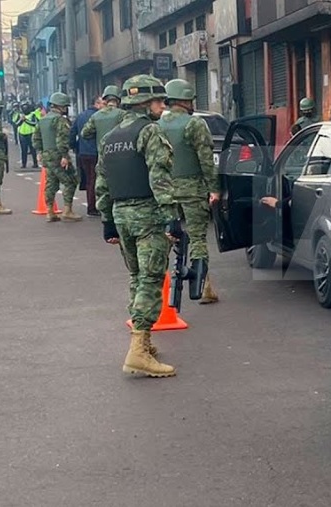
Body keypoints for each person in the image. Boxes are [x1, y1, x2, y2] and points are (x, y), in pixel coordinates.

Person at [95, 74, 179, 378]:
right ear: (145, 102)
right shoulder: (150, 132)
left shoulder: (111, 137)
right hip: (147, 215)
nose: (162, 105)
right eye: (158, 100)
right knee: (151, 279)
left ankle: (143, 343)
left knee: (136, 277)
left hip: (120, 214)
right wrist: (173, 216)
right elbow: (160, 177)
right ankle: (139, 349)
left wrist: (107, 221)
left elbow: (102, 183)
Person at [158, 79, 220, 304]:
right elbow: (206, 160)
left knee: (167, 237)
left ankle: (161, 289)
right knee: (197, 238)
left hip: (166, 191)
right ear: (184, 100)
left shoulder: (157, 125)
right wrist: (214, 188)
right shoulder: (194, 125)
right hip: (193, 190)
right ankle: (204, 287)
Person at [32, 92, 83, 223]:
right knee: (71, 181)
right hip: (58, 155)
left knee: (51, 183)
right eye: (65, 106)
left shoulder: (43, 119)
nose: (66, 108)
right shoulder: (60, 120)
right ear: (61, 106)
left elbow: (36, 137)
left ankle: (50, 211)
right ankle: (67, 210)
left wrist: (39, 152)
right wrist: (65, 156)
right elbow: (62, 139)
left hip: (46, 156)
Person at [70, 95, 101, 216]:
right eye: (102, 103)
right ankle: (93, 207)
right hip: (95, 152)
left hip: (83, 153)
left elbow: (72, 133)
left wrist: (74, 147)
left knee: (89, 180)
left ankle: (91, 205)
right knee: (96, 180)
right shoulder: (99, 116)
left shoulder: (81, 115)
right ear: (96, 104)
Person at [17, 102, 39, 169]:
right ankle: (24, 164)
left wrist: (25, 120)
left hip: (31, 133)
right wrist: (21, 120)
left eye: (26, 107)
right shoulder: (20, 115)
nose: (24, 109)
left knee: (33, 150)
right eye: (23, 107)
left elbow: (34, 123)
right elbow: (16, 124)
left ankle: (35, 163)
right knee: (23, 150)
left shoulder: (33, 115)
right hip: (22, 134)